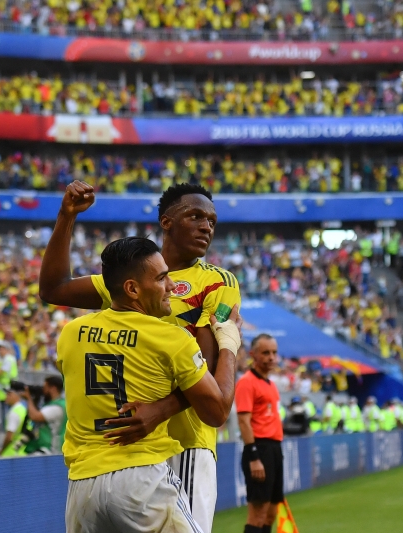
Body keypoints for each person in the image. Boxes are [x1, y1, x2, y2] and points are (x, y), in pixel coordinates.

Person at [40, 181, 241, 533]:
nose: (206, 226)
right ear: (167, 221)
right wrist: (66, 217)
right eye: (195, 216)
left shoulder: (218, 282)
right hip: (124, 449)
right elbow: (54, 288)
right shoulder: (136, 275)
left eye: (211, 220)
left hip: (185, 441)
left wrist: (159, 411)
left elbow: (209, 368)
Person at [235, 334, 284, 533]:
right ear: (253, 354)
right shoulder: (247, 382)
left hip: (274, 448)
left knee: (271, 512)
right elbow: (243, 421)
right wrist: (254, 456)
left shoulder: (270, 384)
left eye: (274, 352)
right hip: (259, 449)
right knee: (258, 513)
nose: (271, 357)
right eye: (266, 353)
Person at [23, 375, 67, 454]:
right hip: (53, 449)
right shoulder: (60, 404)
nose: (43, 390)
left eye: (45, 387)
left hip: (50, 450)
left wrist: (28, 398)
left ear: (53, 388)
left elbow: (35, 416)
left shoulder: (56, 406)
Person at [0, 381, 30, 457]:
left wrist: (1, 450)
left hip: (12, 454)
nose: (6, 396)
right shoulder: (23, 409)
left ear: (17, 395)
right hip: (23, 451)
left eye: (9, 394)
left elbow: (9, 437)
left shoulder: (14, 412)